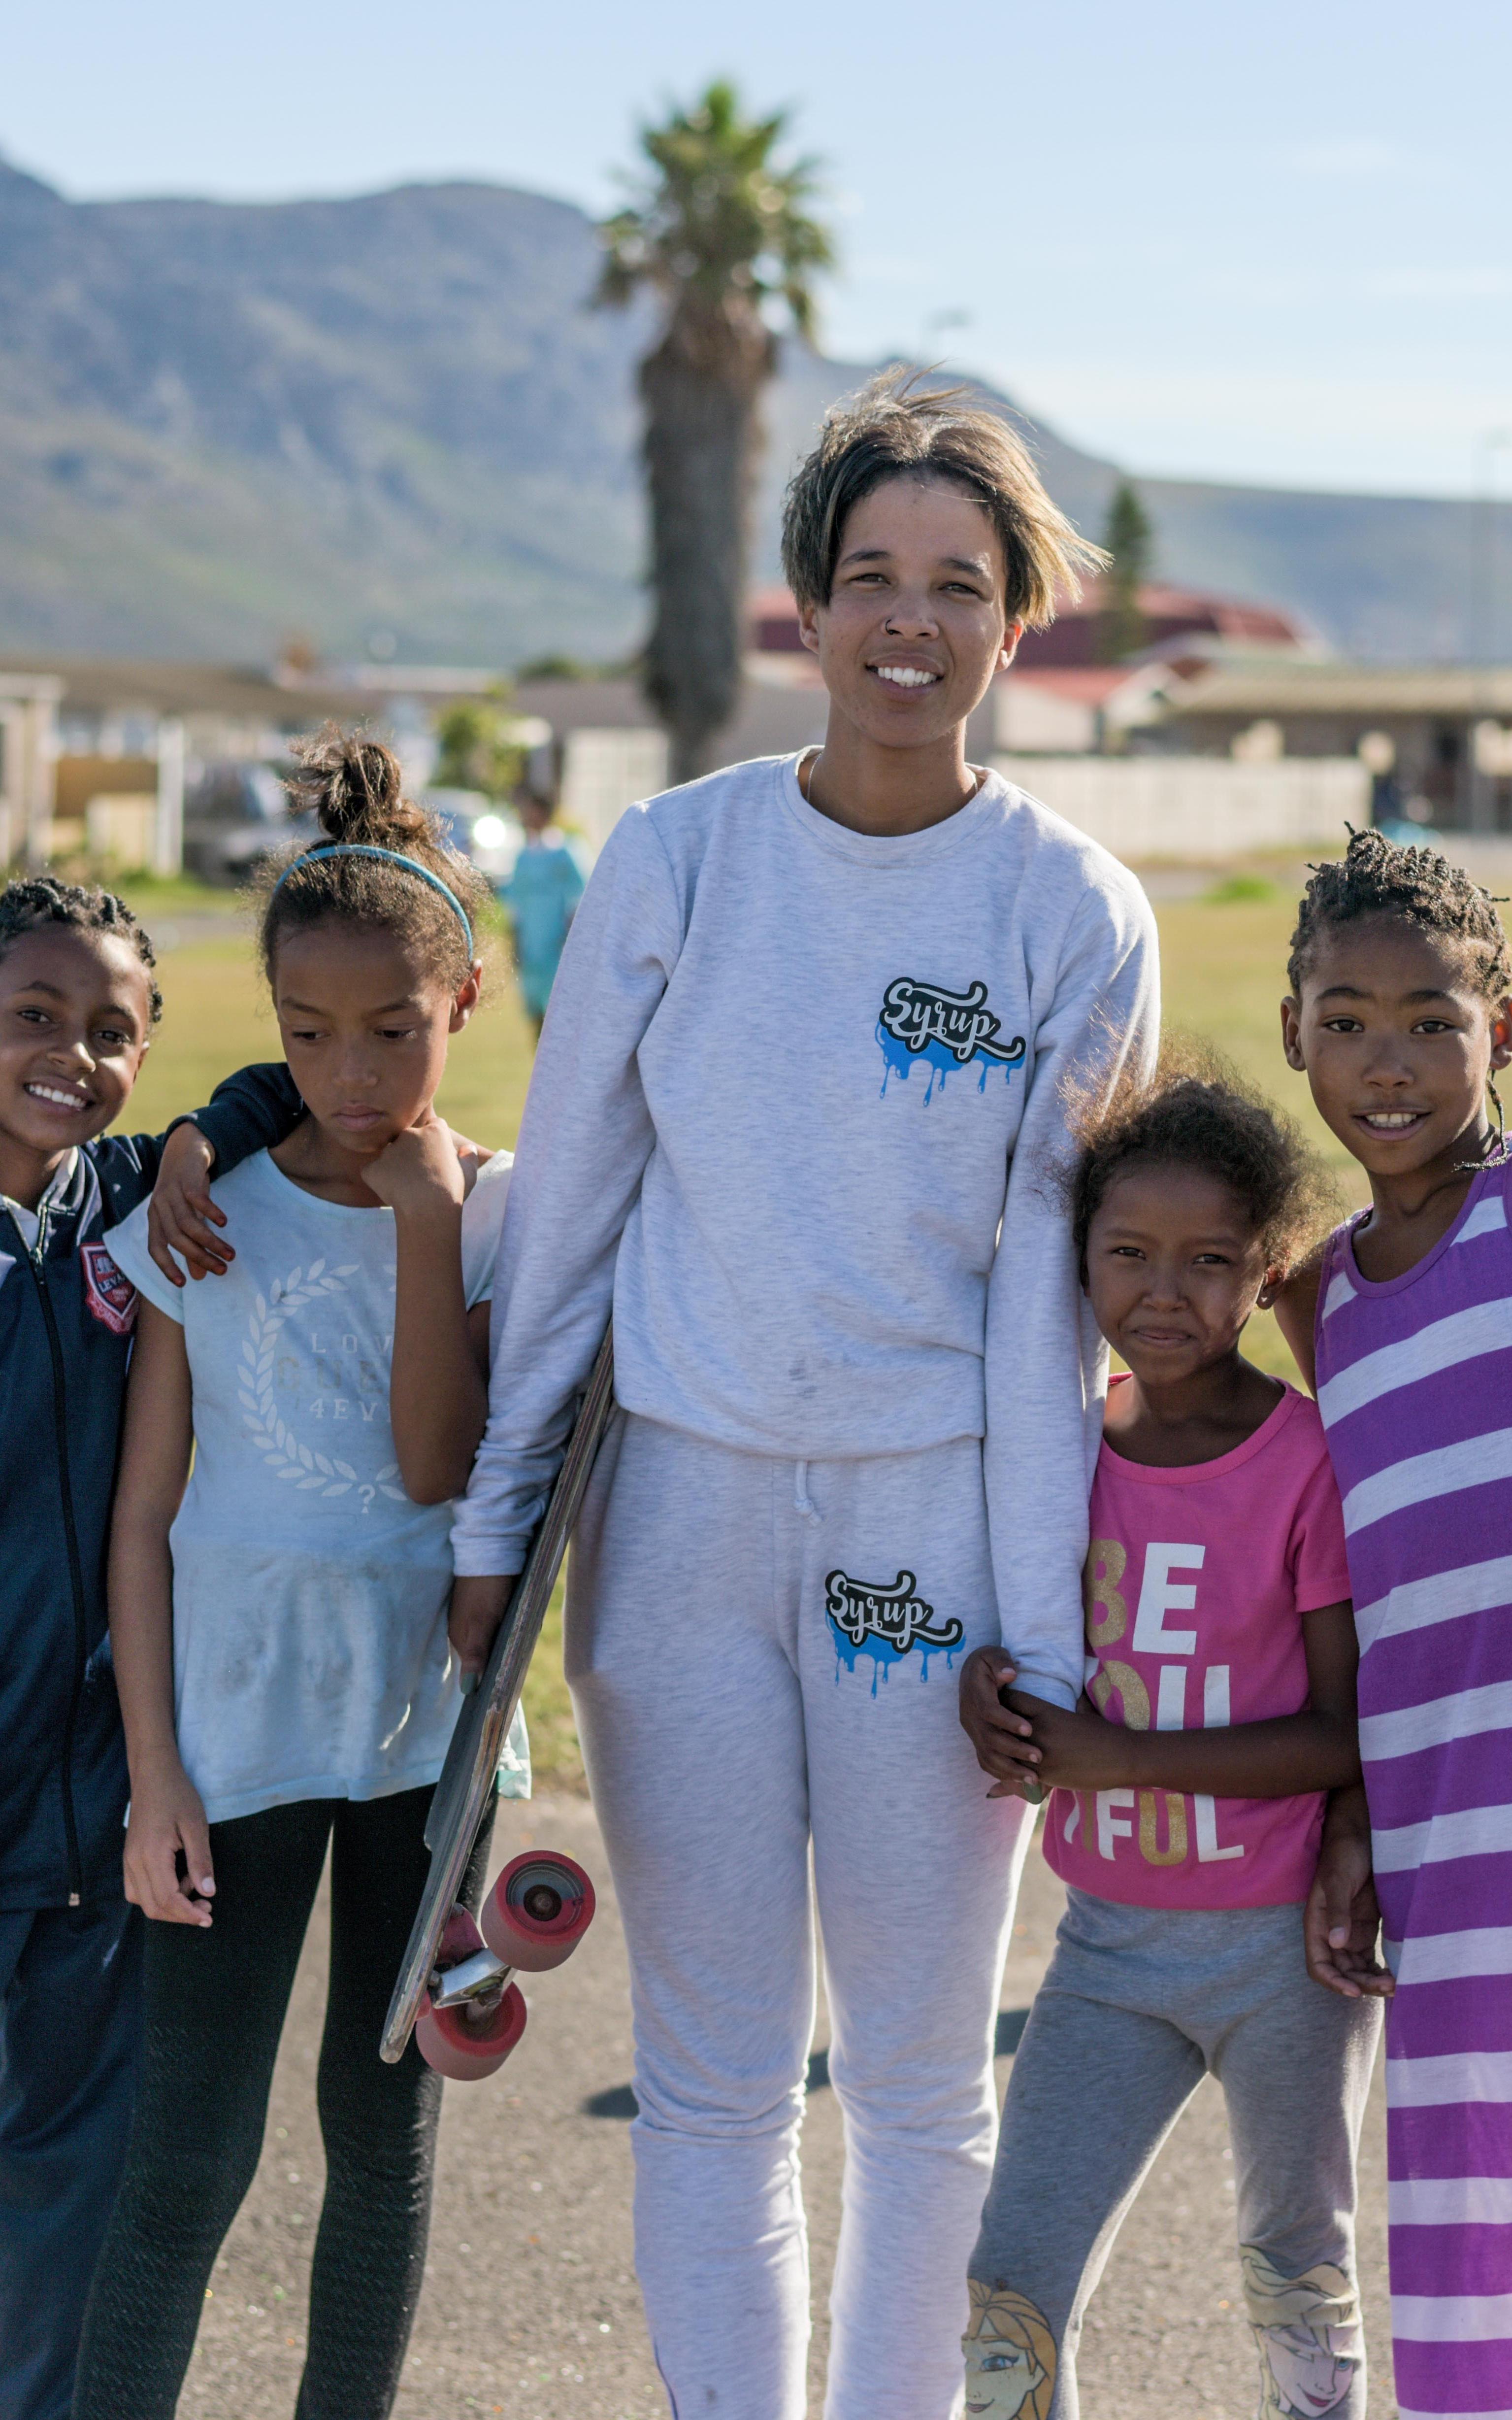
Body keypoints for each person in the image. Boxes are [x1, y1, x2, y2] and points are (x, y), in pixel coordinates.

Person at [449, 371, 1159, 2420]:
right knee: (713, 2076)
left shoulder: (1065, 913)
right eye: (869, 578)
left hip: (920, 1547)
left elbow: (1050, 1309)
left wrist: (1033, 1632)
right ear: (805, 605)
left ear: (1011, 623)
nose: (906, 624)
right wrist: (501, 1527)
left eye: (954, 584)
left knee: (924, 2084)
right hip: (672, 1525)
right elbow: (568, 1214)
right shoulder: (672, 864)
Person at [70, 731, 524, 2420]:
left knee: (380, 2131)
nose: (351, 1070)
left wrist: (422, 1224)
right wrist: (155, 1773)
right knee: (188, 2143)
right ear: (267, 1030)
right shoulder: (206, 1211)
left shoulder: (497, 1214)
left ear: (463, 1005)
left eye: (393, 1031)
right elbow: (143, 1517)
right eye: (307, 1034)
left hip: (428, 1738)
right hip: (234, 1737)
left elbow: (433, 1470)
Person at [958, 1053, 1382, 2420]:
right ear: (1075, 1261)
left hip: (1283, 1963)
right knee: (1009, 2300)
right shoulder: (1053, 1450)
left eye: (1208, 1259)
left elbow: (1336, 1733)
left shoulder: (1306, 1459)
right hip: (1102, 1954)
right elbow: (1016, 1646)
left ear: (1267, 1273)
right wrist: (987, 1691)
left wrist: (1114, 1759)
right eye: (1126, 1252)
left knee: (1295, 2280)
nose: (1161, 1289)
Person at [0, 875, 304, 2420]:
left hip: (95, 1831)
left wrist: (192, 1134)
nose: (73, 1052)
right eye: (34, 1018)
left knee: (71, 2218)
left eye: (112, 1030)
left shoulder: (131, 1205)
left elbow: (276, 1086)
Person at [1274, 829, 1512, 2420]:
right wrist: (1351, 1813)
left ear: (1502, 1024)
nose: (1391, 1061)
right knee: (1470, 2262)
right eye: (1349, 1018)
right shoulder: (1319, 1303)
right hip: (1440, 1848)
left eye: (1435, 1017)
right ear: (1296, 1030)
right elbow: (1345, 1589)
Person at [503, 790, 586, 1037]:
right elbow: (515, 903)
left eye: (533, 810)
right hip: (531, 943)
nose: (528, 816)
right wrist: (515, 940)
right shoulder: (523, 856)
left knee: (559, 1006)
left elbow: (580, 895)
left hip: (557, 942)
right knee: (533, 1006)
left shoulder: (566, 852)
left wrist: (571, 933)